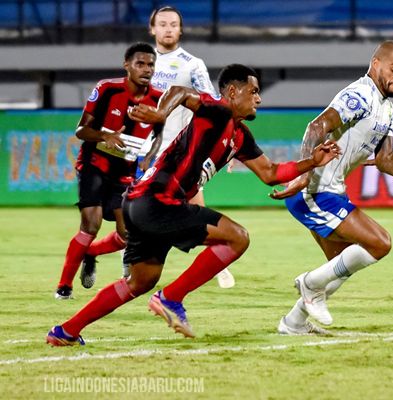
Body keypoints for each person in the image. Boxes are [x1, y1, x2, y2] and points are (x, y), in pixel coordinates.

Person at [46, 64, 340, 346]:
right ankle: (171, 297)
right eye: (253, 91)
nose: (259, 99)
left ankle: (66, 331)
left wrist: (312, 162)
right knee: (238, 237)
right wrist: (161, 113)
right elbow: (180, 91)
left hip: (140, 203)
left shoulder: (239, 135)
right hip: (157, 201)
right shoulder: (217, 110)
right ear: (233, 92)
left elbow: (271, 173)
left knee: (139, 282)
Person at [271, 41, 393, 335]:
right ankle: (309, 284)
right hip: (314, 192)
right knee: (380, 243)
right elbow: (316, 127)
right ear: (375, 63)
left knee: (339, 267)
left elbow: (386, 160)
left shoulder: (387, 110)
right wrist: (304, 170)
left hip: (331, 192)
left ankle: (293, 322)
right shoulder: (359, 95)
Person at [133, 5, 236, 288]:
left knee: (194, 207)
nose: (168, 29)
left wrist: (229, 145)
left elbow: (214, 105)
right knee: (134, 210)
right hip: (143, 151)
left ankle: (217, 262)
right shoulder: (140, 64)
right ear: (152, 29)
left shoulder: (192, 64)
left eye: (173, 24)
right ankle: (132, 267)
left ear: (180, 29)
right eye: (162, 24)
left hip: (180, 152)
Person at [54, 42, 163, 300]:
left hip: (124, 171)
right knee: (91, 224)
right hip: (95, 163)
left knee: (127, 234)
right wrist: (105, 135)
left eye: (150, 64)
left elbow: (160, 134)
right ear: (127, 65)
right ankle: (64, 286)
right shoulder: (106, 89)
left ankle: (90, 254)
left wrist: (149, 156)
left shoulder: (159, 99)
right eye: (140, 63)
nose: (146, 69)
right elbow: (81, 130)